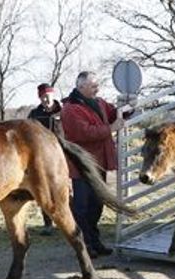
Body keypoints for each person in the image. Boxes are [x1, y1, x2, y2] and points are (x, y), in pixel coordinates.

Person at [61, 71, 126, 258]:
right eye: (93, 86)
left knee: (97, 205)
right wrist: (111, 129)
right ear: (80, 87)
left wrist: (128, 107)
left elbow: (114, 113)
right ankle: (84, 245)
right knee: (82, 207)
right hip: (82, 165)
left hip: (99, 163)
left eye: (97, 85)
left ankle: (94, 241)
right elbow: (84, 133)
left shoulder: (99, 103)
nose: (97, 88)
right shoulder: (71, 109)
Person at [28, 83, 62, 236]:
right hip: (42, 159)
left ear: (53, 95)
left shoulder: (64, 111)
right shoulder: (35, 114)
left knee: (65, 191)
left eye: (47, 96)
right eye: (42, 97)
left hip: (62, 155)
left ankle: (66, 220)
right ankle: (48, 224)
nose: (45, 100)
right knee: (44, 190)